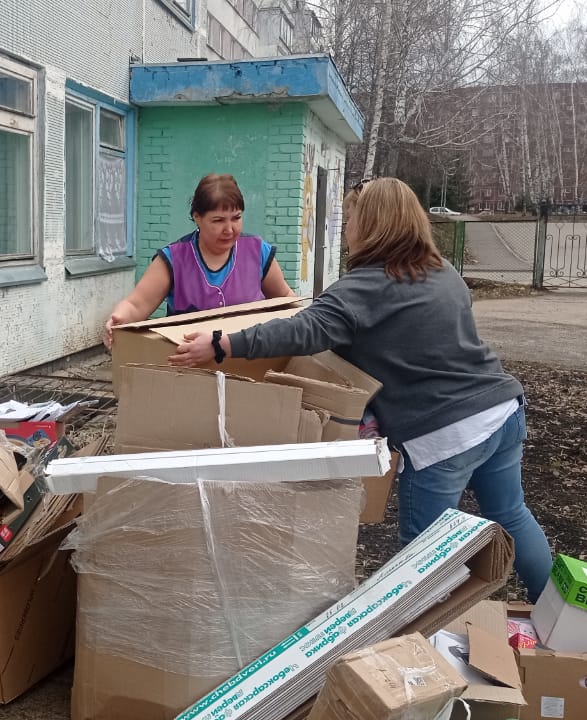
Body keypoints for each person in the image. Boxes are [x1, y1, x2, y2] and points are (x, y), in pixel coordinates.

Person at [168, 177, 552, 602]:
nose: (346, 228)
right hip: (502, 411)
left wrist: (221, 344)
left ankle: (415, 638)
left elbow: (300, 332)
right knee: (512, 515)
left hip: (444, 435)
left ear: (369, 225)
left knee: (423, 555)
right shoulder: (444, 273)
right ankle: (557, 613)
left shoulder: (362, 289)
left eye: (349, 219)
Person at [102, 173, 296, 348]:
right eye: (218, 220)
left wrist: (307, 322)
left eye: (236, 218)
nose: (229, 229)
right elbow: (136, 305)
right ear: (197, 218)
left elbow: (285, 298)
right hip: (189, 363)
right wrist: (118, 319)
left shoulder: (258, 251)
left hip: (249, 361)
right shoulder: (174, 259)